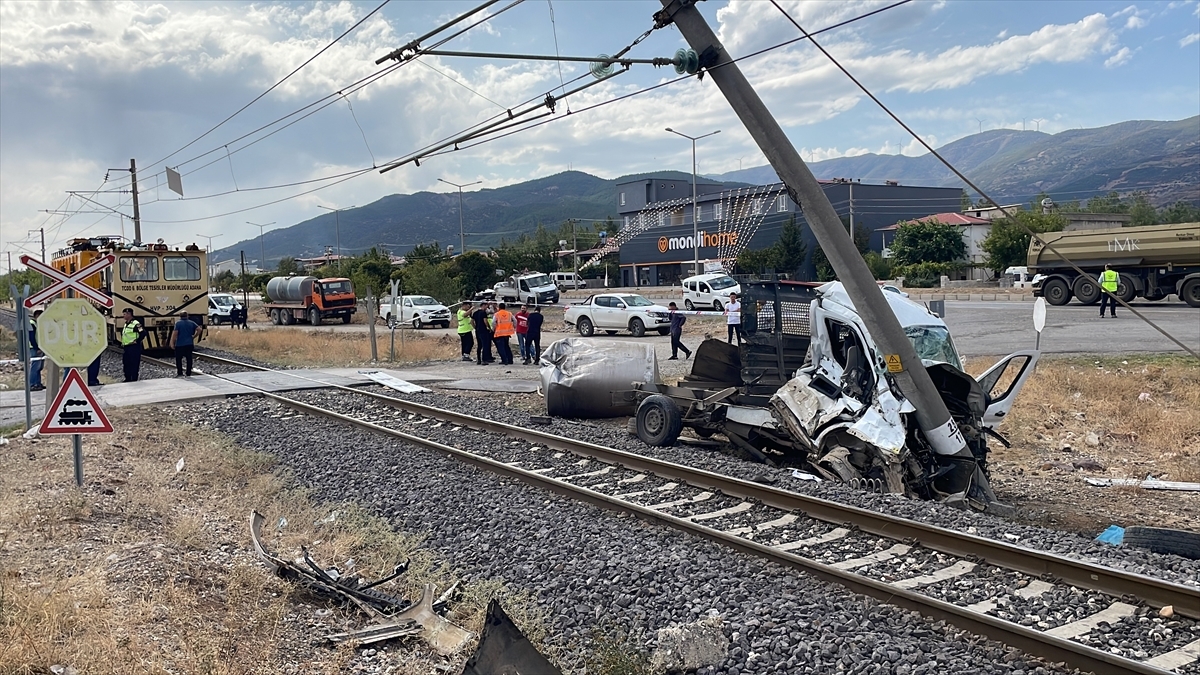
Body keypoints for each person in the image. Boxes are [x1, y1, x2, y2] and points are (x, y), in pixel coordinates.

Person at [170, 312, 201, 376]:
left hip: (179, 344)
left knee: (178, 359)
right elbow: (199, 329)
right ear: (187, 316)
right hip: (189, 343)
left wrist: (172, 343)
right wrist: (194, 336)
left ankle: (180, 373)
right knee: (189, 358)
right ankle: (188, 372)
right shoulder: (191, 323)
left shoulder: (178, 323)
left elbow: (175, 334)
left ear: (180, 316)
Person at [120, 308, 145, 382]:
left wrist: (137, 341)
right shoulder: (126, 324)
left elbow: (143, 333)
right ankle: (127, 378)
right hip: (126, 347)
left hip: (134, 347)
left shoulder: (136, 324)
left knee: (134, 363)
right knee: (126, 363)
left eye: (124, 314)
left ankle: (134, 378)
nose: (123, 316)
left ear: (129, 314)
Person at [28, 309, 44, 391]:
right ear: (36, 316)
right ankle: (32, 384)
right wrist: (36, 348)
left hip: (39, 348)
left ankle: (38, 383)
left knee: (39, 367)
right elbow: (32, 338)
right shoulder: (32, 324)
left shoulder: (37, 324)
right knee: (35, 367)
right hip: (34, 348)